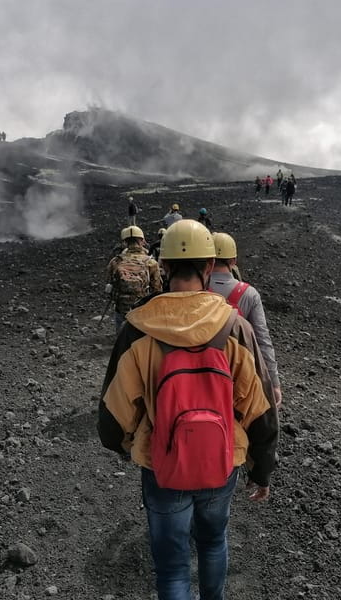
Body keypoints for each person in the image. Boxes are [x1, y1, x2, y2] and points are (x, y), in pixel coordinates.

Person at [98, 219, 278, 600]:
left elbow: (112, 418)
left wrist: (131, 445)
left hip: (162, 467)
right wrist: (261, 470)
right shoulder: (235, 327)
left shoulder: (138, 328)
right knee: (213, 543)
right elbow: (260, 412)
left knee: (172, 564)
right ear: (209, 267)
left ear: (162, 268)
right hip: (222, 460)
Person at [210, 232, 282, 408]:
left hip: (203, 372)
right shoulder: (250, 295)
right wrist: (273, 382)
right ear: (233, 261)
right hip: (239, 374)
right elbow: (263, 341)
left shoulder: (196, 289)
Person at [105, 226, 162, 333]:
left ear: (124, 242)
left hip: (122, 307)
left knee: (121, 335)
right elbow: (157, 289)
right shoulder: (151, 262)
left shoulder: (116, 261)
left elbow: (109, 284)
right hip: (142, 308)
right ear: (142, 241)